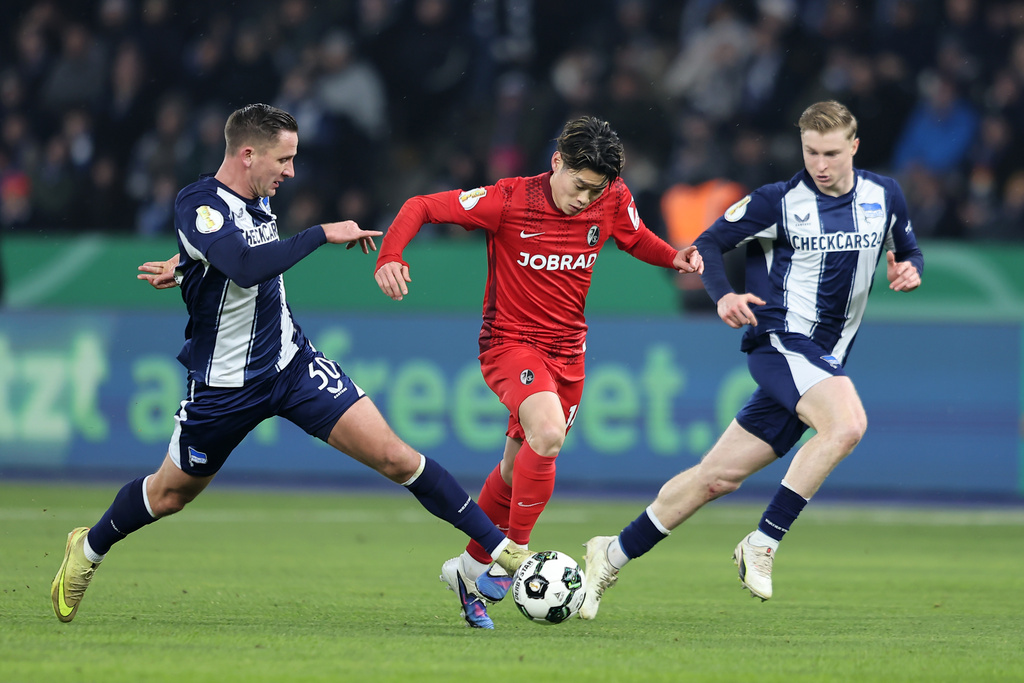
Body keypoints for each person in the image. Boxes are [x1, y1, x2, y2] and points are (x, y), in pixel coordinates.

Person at [50, 103, 530, 625]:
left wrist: (186, 264)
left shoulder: (257, 198)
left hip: (291, 364)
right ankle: (89, 547)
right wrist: (321, 233)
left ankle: (501, 551)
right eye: (285, 159)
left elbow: (224, 256)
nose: (291, 171)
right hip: (225, 384)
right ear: (248, 154)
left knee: (395, 456)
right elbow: (243, 264)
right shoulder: (199, 202)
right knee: (169, 494)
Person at [579, 100, 924, 619]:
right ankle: (763, 542)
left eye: (832, 153)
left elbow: (907, 248)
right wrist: (722, 296)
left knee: (715, 478)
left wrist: (908, 269)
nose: (821, 165)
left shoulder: (884, 195)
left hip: (823, 360)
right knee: (847, 425)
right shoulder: (777, 201)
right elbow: (709, 245)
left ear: (854, 146)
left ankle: (611, 553)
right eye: (811, 152)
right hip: (781, 342)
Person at [374, 115, 704, 628]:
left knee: (513, 473)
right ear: (557, 162)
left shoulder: (612, 197)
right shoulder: (507, 199)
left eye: (596, 191)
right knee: (547, 434)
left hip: (569, 353)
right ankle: (517, 557)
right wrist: (390, 256)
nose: (585, 200)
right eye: (579, 186)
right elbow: (421, 206)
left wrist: (675, 258)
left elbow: (635, 238)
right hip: (510, 344)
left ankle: (467, 568)